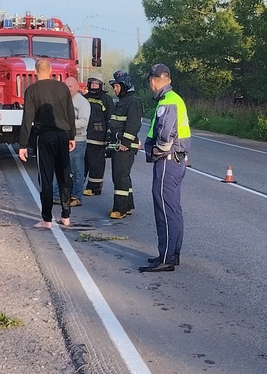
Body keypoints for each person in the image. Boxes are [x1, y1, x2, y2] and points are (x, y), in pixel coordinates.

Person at [140, 63, 190, 272]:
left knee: (164, 209)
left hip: (167, 161)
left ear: (153, 81)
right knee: (173, 209)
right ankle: (171, 253)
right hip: (176, 160)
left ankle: (166, 258)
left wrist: (155, 152)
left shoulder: (167, 102)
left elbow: (165, 134)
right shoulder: (174, 99)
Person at [17, 57, 77, 229]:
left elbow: (27, 119)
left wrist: (23, 145)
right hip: (63, 135)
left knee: (46, 178)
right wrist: (71, 136)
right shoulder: (62, 87)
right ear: (51, 71)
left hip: (45, 137)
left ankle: (47, 219)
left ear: (35, 72)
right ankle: (66, 216)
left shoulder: (32, 90)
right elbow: (70, 113)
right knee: (64, 175)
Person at [107, 69, 142, 219]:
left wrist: (125, 142)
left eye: (116, 86)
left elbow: (133, 125)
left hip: (124, 146)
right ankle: (127, 205)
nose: (114, 89)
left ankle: (119, 209)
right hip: (118, 144)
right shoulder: (123, 101)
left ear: (124, 85)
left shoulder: (133, 102)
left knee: (120, 176)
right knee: (123, 176)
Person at [56, 81, 90, 206]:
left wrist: (67, 124)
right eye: (66, 86)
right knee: (59, 168)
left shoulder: (82, 103)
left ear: (76, 87)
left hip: (78, 140)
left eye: (70, 86)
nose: (68, 88)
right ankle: (56, 195)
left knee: (77, 171)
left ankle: (76, 197)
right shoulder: (61, 100)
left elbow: (84, 122)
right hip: (62, 139)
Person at [81, 74, 114, 197]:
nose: (94, 86)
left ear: (101, 85)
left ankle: (94, 188)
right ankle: (78, 185)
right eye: (92, 83)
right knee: (82, 163)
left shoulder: (106, 99)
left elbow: (110, 118)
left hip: (99, 138)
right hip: (84, 136)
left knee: (96, 164)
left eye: (96, 84)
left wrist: (109, 136)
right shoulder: (84, 98)